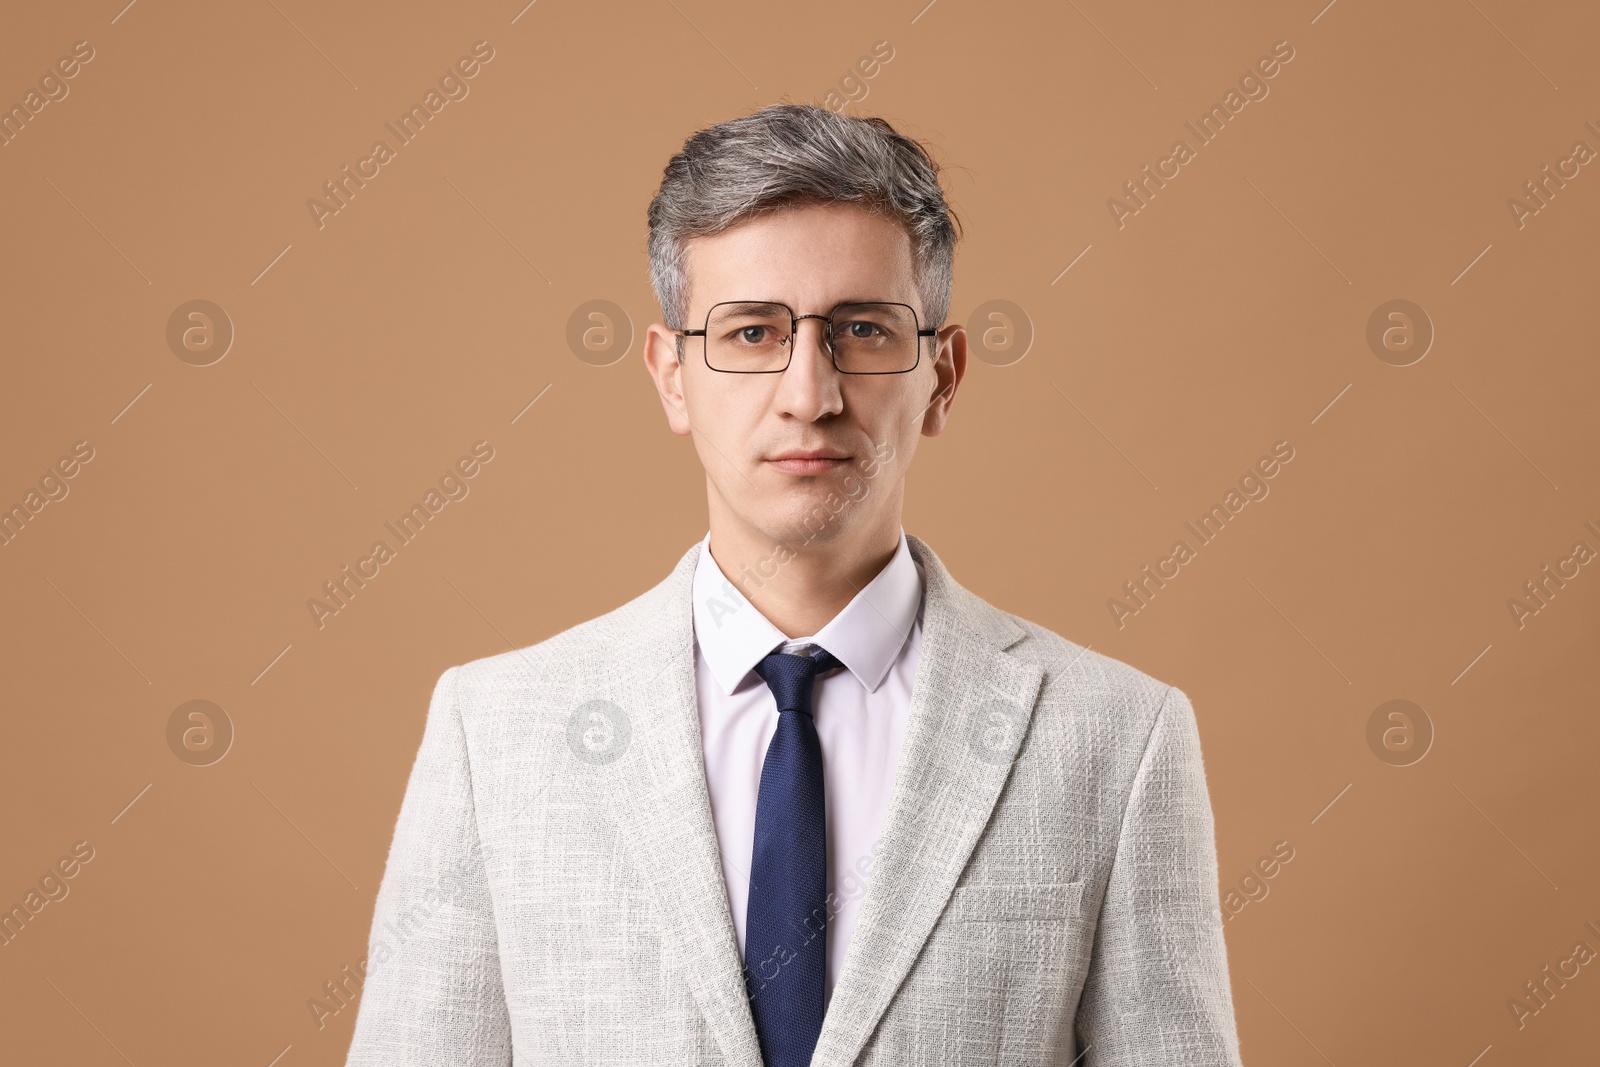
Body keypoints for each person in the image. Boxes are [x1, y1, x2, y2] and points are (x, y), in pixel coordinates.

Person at [344, 103, 1244, 1067]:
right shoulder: (497, 734)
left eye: (861, 328)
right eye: (748, 332)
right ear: (671, 377)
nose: (809, 393)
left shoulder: (1119, 738)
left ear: (943, 375)